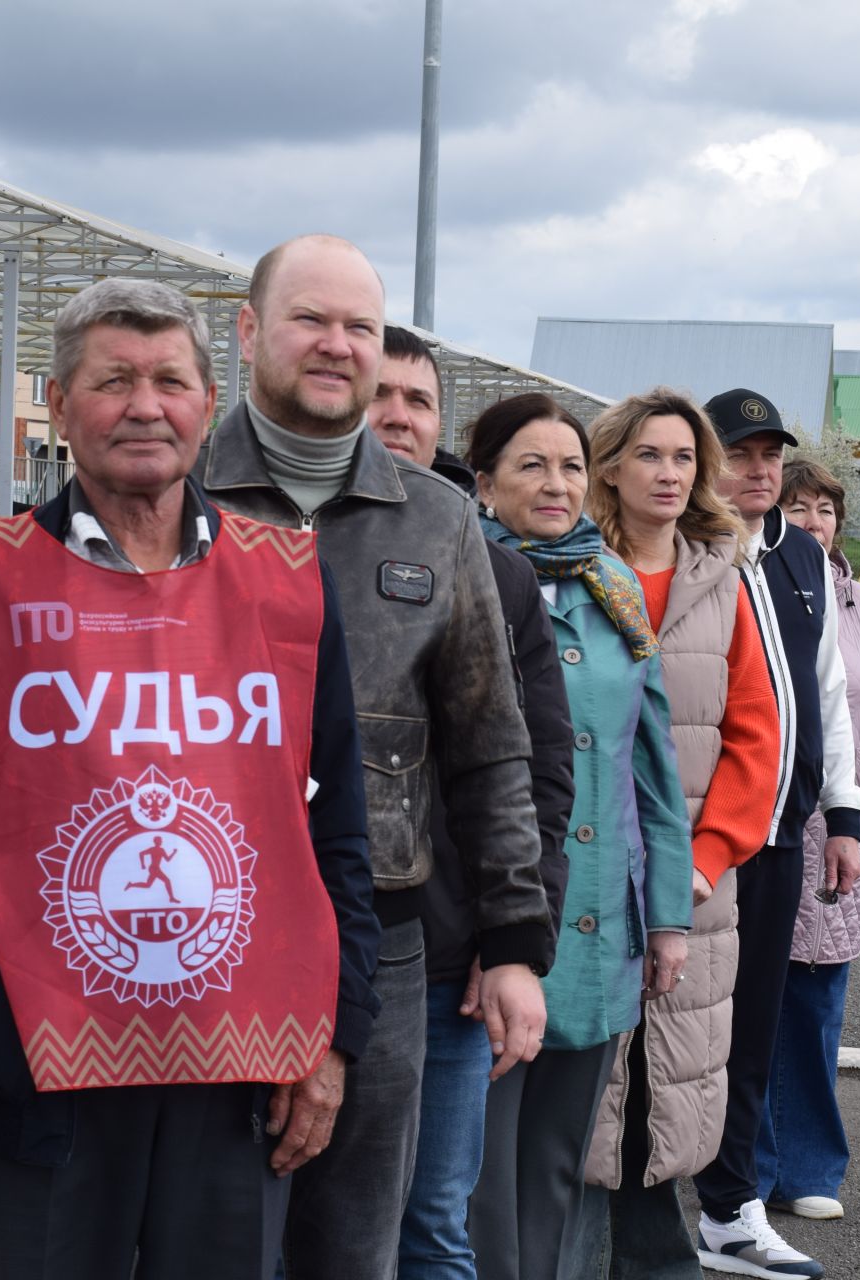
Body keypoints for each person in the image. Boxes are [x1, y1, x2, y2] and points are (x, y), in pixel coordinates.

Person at [0, 279, 381, 1277]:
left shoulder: (287, 586)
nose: (146, 406)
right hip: (28, 1076)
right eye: (114, 381)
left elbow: (337, 833)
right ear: (58, 405)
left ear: (208, 400)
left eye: (171, 381)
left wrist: (334, 1033)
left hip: (242, 1076)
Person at [199, 235, 550, 1280]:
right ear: (251, 331)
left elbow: (493, 749)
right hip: (197, 926)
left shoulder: (440, 519)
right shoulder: (176, 493)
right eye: (311, 319)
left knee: (352, 1245)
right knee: (201, 1236)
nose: (337, 344)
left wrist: (516, 934)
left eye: (359, 325)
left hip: (381, 943)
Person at [451, 392, 693, 1280]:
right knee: (475, 1178)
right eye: (530, 466)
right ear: (482, 483)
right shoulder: (459, 578)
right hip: (495, 925)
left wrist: (666, 916)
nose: (557, 485)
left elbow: (653, 769)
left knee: (559, 1165)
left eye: (571, 467)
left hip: (598, 926)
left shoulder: (613, 586)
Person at [367, 332, 578, 1280]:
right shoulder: (259, 548)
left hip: (450, 954)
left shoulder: (498, 577)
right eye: (379, 394)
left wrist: (512, 941)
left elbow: (535, 775)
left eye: (417, 398)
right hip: (300, 958)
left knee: (433, 1228)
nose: (397, 416)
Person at [575, 389, 783, 1280]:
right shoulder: (567, 571)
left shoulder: (723, 582)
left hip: (696, 887)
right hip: (584, 879)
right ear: (611, 465)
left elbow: (755, 736)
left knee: (668, 1077)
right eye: (651, 455)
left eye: (684, 458)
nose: (669, 473)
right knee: (585, 1087)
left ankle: (657, 1255)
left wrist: (700, 862)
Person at [690, 388, 860, 1279]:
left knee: (754, 1022)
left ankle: (731, 1205)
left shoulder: (802, 554)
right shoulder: (686, 550)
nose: (758, 468)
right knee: (679, 1022)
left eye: (769, 454)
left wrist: (843, 815)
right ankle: (651, 1202)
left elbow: (826, 692)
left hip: (779, 833)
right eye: (740, 453)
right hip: (695, 834)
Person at [755, 459, 860, 1222]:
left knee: (819, 999)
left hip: (840, 816)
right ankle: (756, 1162)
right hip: (775, 813)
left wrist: (849, 804)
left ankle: (809, 1167)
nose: (812, 519)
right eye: (797, 505)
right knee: (762, 999)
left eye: (825, 507)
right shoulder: (762, 581)